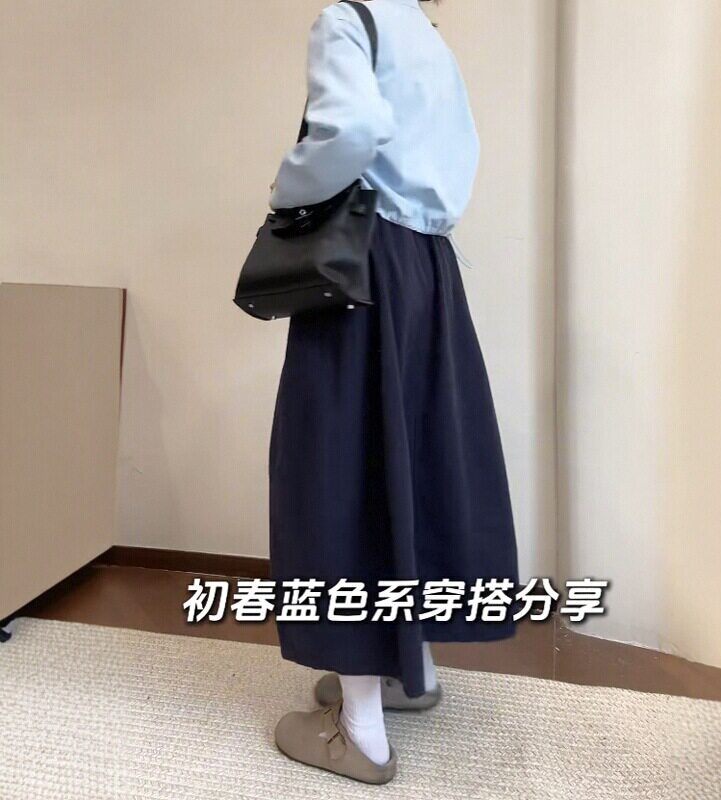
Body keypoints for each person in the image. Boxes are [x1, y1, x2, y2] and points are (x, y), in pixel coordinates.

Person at [267, 0, 518, 784]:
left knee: (339, 475)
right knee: (414, 461)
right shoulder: (429, 41)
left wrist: (287, 189)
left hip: (362, 263)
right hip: (430, 271)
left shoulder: (347, 20)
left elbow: (352, 131)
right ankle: (416, 671)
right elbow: (457, 154)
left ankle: (362, 732)